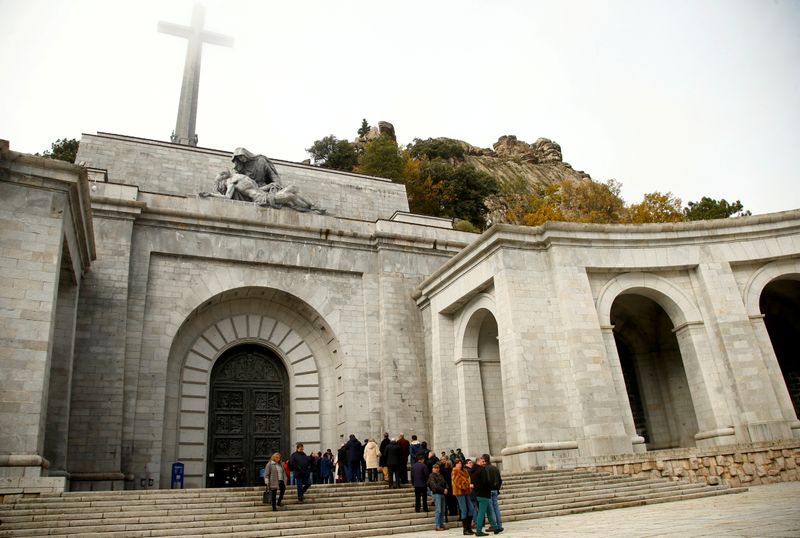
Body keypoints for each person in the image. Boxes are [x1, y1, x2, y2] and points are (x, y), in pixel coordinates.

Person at [470, 456, 503, 536]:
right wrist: (491, 486)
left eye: (484, 461)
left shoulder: (474, 470)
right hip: (484, 494)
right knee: (481, 513)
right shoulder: (481, 470)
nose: (483, 462)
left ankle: (495, 528)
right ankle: (478, 531)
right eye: (482, 461)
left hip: (480, 493)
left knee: (490, 511)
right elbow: (485, 482)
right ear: (478, 461)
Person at [452, 459, 475, 535]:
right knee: (464, 510)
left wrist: (468, 485)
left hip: (467, 492)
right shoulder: (455, 471)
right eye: (458, 463)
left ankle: (469, 528)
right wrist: (468, 485)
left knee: (471, 509)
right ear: (455, 464)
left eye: (460, 463)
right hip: (459, 493)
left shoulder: (464, 471)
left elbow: (469, 479)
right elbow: (458, 483)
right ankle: (465, 529)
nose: (459, 464)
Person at [483, 454, 503, 529]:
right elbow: (500, 480)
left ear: (484, 460)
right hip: (495, 490)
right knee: (496, 508)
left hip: (489, 491)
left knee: (491, 509)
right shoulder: (495, 468)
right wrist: (497, 489)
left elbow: (486, 481)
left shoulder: (485, 469)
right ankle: (499, 525)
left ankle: (494, 526)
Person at [427, 463, 449, 531]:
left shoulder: (441, 475)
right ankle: (437, 525)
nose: (437, 469)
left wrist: (446, 489)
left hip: (442, 494)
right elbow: (434, 486)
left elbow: (445, 483)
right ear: (432, 469)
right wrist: (443, 489)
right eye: (435, 468)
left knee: (443, 510)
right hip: (436, 494)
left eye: (437, 468)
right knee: (438, 510)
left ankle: (441, 524)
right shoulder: (431, 476)